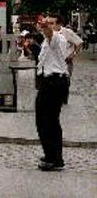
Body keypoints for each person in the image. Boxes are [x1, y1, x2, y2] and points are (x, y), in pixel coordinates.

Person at [35, 17, 69, 171]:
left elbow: (49, 33)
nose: (48, 26)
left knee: (48, 121)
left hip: (54, 83)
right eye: (47, 23)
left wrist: (44, 25)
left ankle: (54, 158)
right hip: (48, 82)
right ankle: (51, 154)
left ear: (58, 25)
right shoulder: (46, 41)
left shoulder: (57, 38)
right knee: (44, 119)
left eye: (52, 22)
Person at [48, 14, 83, 105]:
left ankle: (63, 97)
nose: (50, 25)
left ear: (59, 24)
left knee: (64, 81)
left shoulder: (67, 32)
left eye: (52, 23)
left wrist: (73, 55)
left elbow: (79, 43)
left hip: (66, 62)